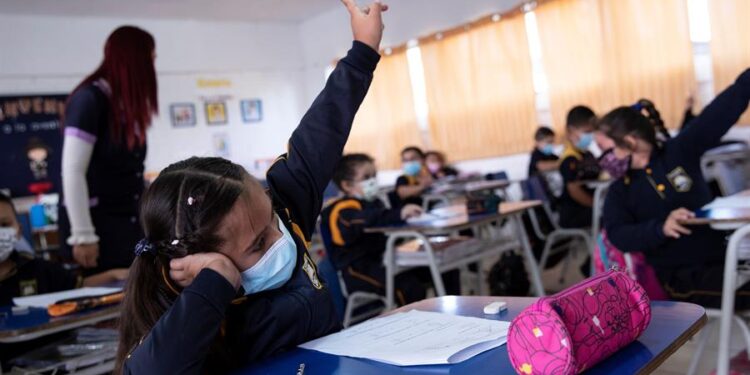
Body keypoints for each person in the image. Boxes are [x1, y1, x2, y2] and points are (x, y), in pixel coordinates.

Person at [116, 1, 388, 373]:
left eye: (272, 221)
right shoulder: (197, 307)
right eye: (258, 244)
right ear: (194, 264)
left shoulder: (284, 214)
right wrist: (214, 283)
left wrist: (363, 52)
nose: (282, 240)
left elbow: (318, 137)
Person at [601, 68, 750, 309]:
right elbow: (619, 235)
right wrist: (660, 228)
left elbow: (719, 112)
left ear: (629, 142)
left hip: (724, 256)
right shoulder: (620, 191)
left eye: (608, 149)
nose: (605, 158)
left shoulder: (678, 152)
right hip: (681, 277)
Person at [59, 26, 158, 274]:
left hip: (128, 224)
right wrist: (83, 235)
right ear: (136, 60)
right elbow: (72, 171)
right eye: (151, 58)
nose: (153, 66)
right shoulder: (90, 100)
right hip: (97, 230)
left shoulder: (125, 107)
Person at [321, 154, 461, 305]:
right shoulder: (340, 209)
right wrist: (399, 213)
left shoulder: (374, 202)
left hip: (388, 259)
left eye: (374, 175)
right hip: (358, 270)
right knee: (408, 287)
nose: (372, 180)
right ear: (347, 185)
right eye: (366, 177)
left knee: (444, 268)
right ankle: (414, 326)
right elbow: (366, 218)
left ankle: (455, 315)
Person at [0, 194, 127, 306]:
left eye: (4, 225)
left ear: (19, 230)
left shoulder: (39, 270)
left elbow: (80, 286)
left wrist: (112, 275)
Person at [557, 106, 601, 228]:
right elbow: (574, 191)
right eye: (587, 132)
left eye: (593, 132)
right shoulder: (569, 159)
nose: (591, 136)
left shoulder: (588, 154)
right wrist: (597, 206)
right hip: (574, 213)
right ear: (570, 131)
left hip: (589, 208)